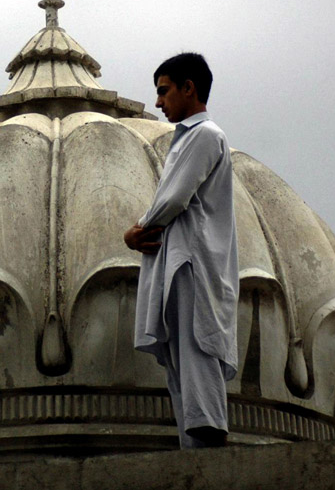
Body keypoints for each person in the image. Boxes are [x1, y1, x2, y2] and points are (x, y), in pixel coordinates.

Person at [123, 52, 239, 449]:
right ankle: (194, 440)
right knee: (179, 355)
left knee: (196, 343)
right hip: (178, 259)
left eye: (164, 91)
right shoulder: (189, 138)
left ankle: (208, 430)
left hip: (192, 260)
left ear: (189, 88)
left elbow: (174, 198)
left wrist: (136, 232)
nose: (158, 102)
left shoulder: (205, 135)